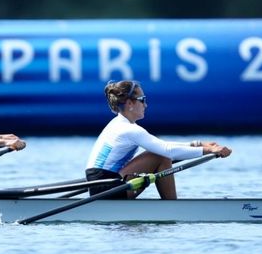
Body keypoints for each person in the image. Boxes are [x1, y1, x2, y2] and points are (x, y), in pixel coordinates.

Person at [85, 80, 231, 199]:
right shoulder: (129, 129)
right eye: (142, 100)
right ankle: (172, 208)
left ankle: (170, 205)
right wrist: (209, 150)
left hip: (102, 184)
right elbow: (166, 150)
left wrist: (197, 144)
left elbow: (163, 145)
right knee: (161, 156)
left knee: (161, 154)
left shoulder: (119, 124)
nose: (146, 105)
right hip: (107, 188)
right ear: (129, 104)